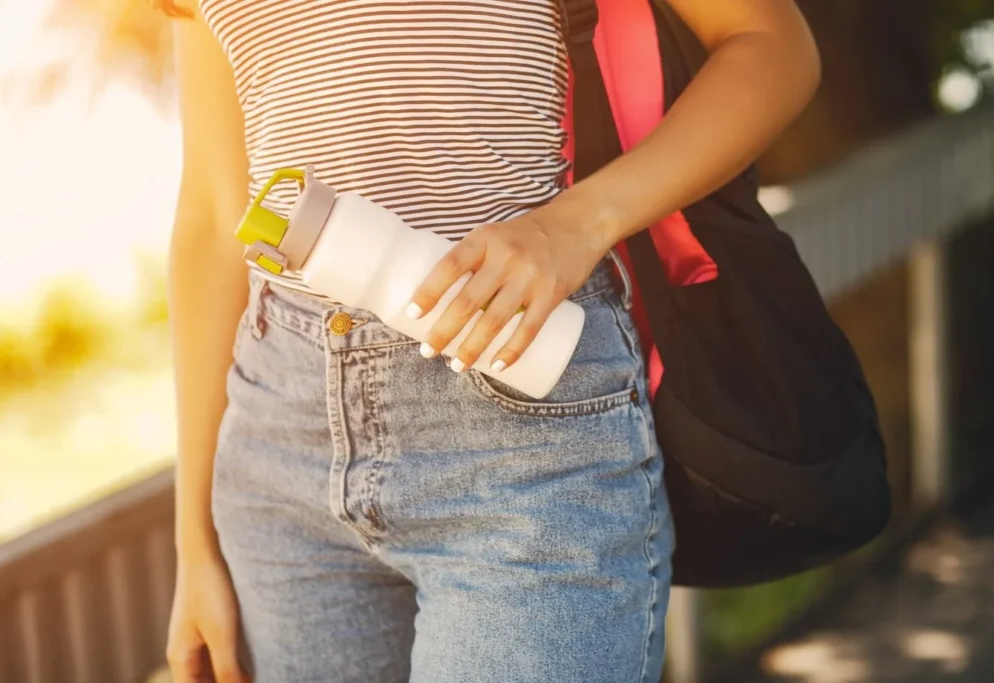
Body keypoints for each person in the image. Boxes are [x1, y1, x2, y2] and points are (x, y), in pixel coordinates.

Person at [162, 1, 819, 681]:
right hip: (281, 459)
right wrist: (194, 545)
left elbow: (771, 43)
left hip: (525, 434)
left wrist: (579, 222)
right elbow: (216, 214)